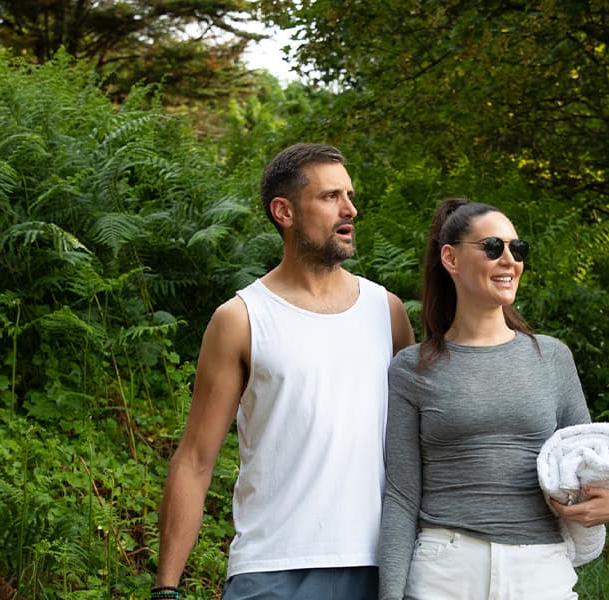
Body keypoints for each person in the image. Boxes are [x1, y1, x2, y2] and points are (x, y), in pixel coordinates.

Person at [153, 143, 415, 600]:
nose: (350, 209)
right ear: (284, 212)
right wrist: (166, 588)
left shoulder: (386, 312)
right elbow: (195, 460)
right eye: (331, 197)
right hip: (272, 569)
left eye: (349, 195)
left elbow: (421, 443)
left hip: (380, 566)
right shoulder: (241, 318)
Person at [377, 198, 609, 600]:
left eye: (518, 249)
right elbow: (402, 495)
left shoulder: (551, 357)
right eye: (493, 247)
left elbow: (591, 462)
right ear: (451, 258)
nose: (509, 260)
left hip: (541, 572)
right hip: (445, 571)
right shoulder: (412, 368)